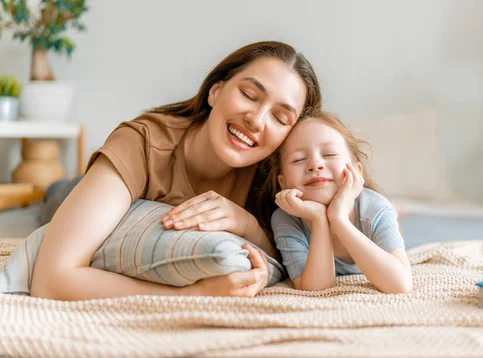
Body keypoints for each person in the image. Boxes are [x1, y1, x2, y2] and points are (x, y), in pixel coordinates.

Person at [29, 41, 322, 300]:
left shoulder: (277, 177)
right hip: (79, 189)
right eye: (249, 94)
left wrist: (248, 226)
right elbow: (51, 280)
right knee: (56, 197)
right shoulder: (142, 143)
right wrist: (194, 294)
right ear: (215, 91)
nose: (257, 121)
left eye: (280, 118)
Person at [267, 112, 413, 293]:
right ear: (283, 183)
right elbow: (316, 288)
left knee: (390, 210)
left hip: (373, 207)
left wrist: (339, 219)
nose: (315, 164)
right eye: (298, 159)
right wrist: (320, 219)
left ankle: (397, 209)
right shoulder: (286, 219)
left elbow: (400, 285)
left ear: (357, 171)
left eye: (329, 154)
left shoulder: (375, 208)